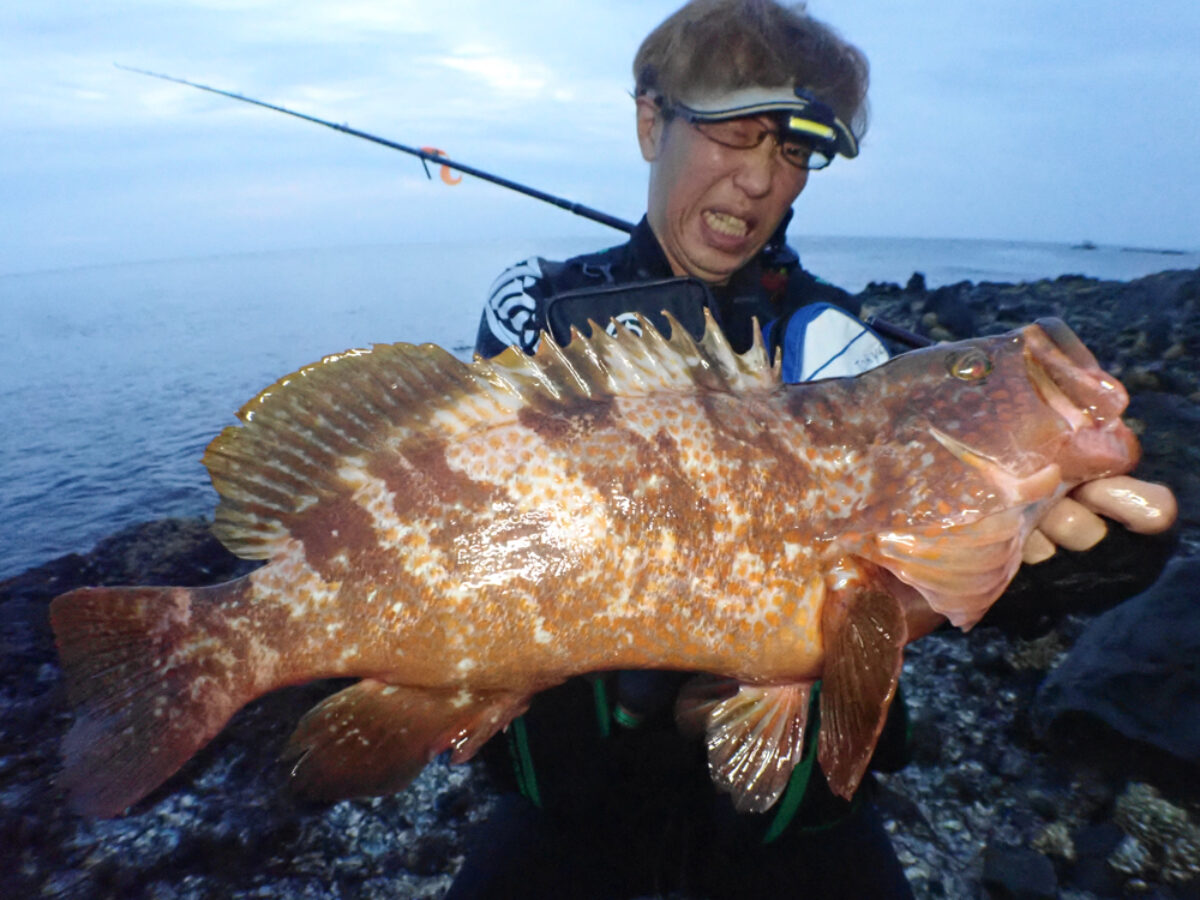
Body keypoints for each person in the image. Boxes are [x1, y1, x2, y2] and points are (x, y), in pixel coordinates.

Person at [449, 1, 1178, 897]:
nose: (759, 182)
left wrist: (1045, 573)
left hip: (788, 824)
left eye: (791, 151)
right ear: (650, 122)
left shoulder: (835, 346)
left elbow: (891, 572)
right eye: (732, 134)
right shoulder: (544, 314)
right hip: (579, 809)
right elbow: (464, 517)